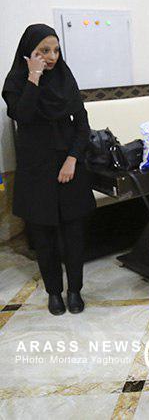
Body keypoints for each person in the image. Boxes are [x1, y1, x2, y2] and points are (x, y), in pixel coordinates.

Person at [2, 24, 96, 315]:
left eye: (55, 50)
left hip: (69, 167)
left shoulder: (65, 78)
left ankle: (75, 290)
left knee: (74, 235)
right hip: (36, 171)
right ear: (29, 52)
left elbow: (83, 126)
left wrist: (72, 159)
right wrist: (34, 77)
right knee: (43, 237)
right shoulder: (16, 82)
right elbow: (23, 115)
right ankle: (54, 292)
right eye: (44, 50)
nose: (52, 56)